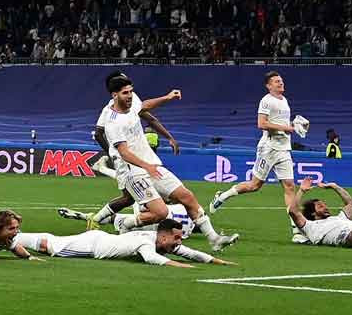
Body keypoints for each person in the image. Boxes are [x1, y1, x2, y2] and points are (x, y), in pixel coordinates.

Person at [99, 76, 238, 252]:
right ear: (114, 95)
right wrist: (146, 166)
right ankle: (125, 223)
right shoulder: (113, 122)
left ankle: (214, 239)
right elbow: (124, 152)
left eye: (131, 91)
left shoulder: (132, 103)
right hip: (133, 172)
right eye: (125, 93)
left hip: (152, 166)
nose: (130, 96)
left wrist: (167, 97)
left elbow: (145, 106)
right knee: (161, 213)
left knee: (187, 197)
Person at [210, 71, 308, 243]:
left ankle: (296, 232)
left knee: (290, 186)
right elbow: (261, 124)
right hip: (268, 148)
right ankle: (223, 196)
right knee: (254, 186)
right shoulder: (266, 100)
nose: (280, 83)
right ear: (268, 85)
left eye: (281, 80)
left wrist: (295, 125)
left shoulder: (284, 101)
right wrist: (288, 128)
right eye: (277, 81)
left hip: (284, 148)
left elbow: (282, 125)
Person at [76, 71, 180, 227]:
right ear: (114, 93)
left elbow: (149, 117)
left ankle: (97, 219)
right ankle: (122, 222)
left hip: (139, 156)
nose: (129, 92)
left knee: (129, 197)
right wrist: (113, 153)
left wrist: (169, 136)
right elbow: (98, 133)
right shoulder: (108, 111)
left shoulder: (132, 99)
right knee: (131, 197)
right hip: (125, 159)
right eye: (125, 88)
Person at [15, 219, 237, 268]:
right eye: (176, 237)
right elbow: (153, 259)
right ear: (163, 236)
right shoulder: (145, 242)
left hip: (99, 239)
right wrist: (182, 266)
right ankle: (7, 237)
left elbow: (194, 254)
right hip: (92, 245)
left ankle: (10, 237)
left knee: (51, 241)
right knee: (49, 245)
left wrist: (222, 263)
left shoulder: (166, 243)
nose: (179, 242)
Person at [59, 202, 196, 238]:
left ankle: (87, 217)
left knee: (114, 218)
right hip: (154, 227)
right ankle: (85, 217)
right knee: (116, 220)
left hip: (153, 219)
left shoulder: (185, 208)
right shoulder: (186, 232)